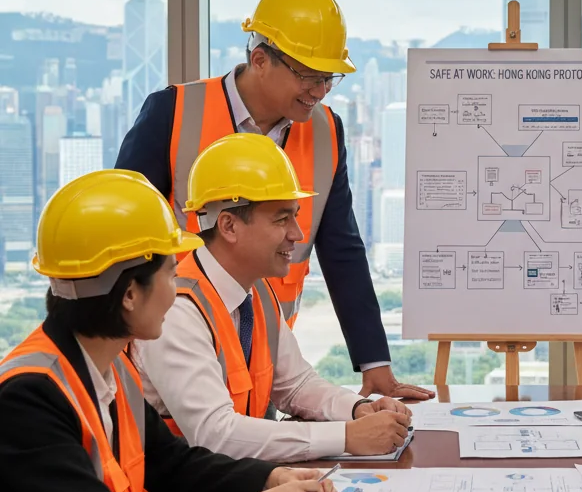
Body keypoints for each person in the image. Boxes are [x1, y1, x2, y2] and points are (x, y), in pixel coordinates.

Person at [0, 169, 337, 492]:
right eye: (168, 272)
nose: (176, 287)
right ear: (129, 295)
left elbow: (174, 464)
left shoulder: (109, 366)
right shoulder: (29, 396)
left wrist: (268, 477)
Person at [116, 0, 433, 401]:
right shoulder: (174, 112)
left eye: (329, 78)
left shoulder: (326, 132)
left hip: (263, 356)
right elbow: (124, 236)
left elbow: (342, 249)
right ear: (260, 59)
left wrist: (374, 362)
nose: (319, 91)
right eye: (308, 76)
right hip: (169, 354)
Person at [135, 132, 411, 461]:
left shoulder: (257, 292)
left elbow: (295, 385)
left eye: (295, 215)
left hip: (233, 481)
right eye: (282, 219)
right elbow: (216, 435)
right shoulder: (177, 312)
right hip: (178, 491)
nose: (298, 233)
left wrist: (357, 409)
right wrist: (347, 437)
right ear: (229, 226)